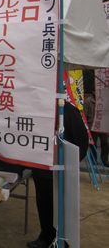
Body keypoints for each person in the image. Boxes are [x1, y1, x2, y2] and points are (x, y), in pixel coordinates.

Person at [27, 101, 89, 248]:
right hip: (41, 170)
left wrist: (69, 164)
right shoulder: (35, 106)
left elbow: (81, 142)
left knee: (62, 208)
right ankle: (46, 237)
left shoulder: (67, 110)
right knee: (44, 205)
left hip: (61, 171)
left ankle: (63, 241)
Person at [84, 91, 108, 166]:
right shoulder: (88, 101)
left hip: (103, 126)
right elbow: (85, 113)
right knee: (93, 144)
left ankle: (105, 161)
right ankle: (93, 160)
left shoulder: (105, 100)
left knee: (105, 144)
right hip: (92, 126)